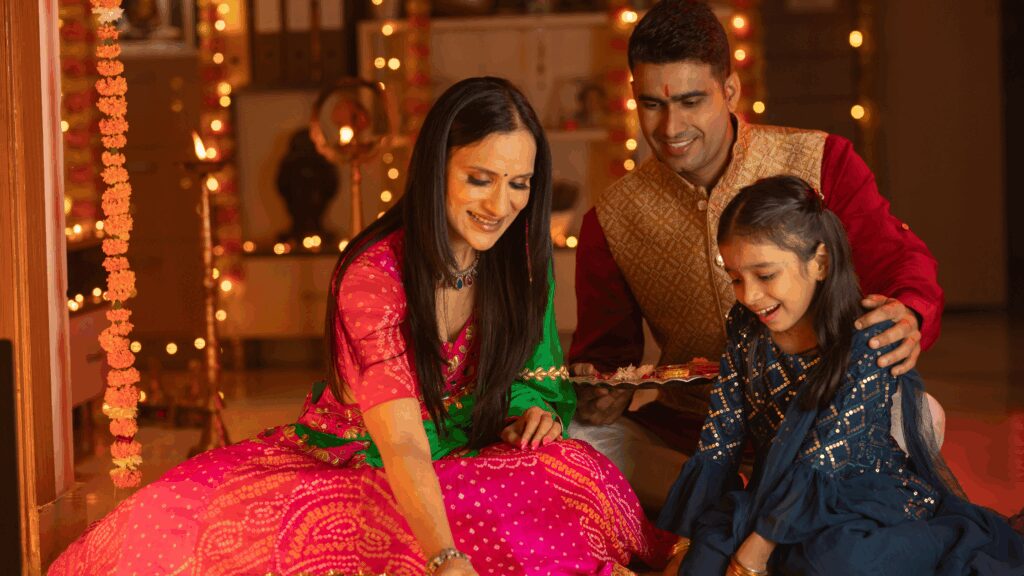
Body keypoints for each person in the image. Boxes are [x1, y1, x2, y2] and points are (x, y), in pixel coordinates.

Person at [50, 77, 674, 576]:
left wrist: (530, 409)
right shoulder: (374, 276)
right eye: (479, 180)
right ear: (436, 171)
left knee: (567, 469)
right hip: (363, 458)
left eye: (519, 184)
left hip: (470, 445)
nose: (501, 205)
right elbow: (402, 443)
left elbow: (535, 369)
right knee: (363, 526)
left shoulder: (520, 260)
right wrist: (446, 559)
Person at [568, 0, 945, 509]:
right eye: (652, 104)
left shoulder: (820, 161)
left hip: (822, 414)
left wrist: (910, 312)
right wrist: (600, 391)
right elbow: (605, 355)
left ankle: (739, 507)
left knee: (917, 415)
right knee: (572, 441)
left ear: (730, 91)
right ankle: (782, 505)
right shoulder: (611, 217)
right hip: (693, 433)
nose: (670, 126)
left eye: (691, 100)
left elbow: (901, 265)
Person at [657, 175, 1024, 575]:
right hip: (774, 491)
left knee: (828, 560)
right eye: (735, 278)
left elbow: (822, 462)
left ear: (819, 262)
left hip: (859, 499)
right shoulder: (746, 328)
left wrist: (754, 555)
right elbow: (720, 438)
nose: (749, 296)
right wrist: (690, 539)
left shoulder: (866, 338)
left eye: (765, 276)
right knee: (704, 560)